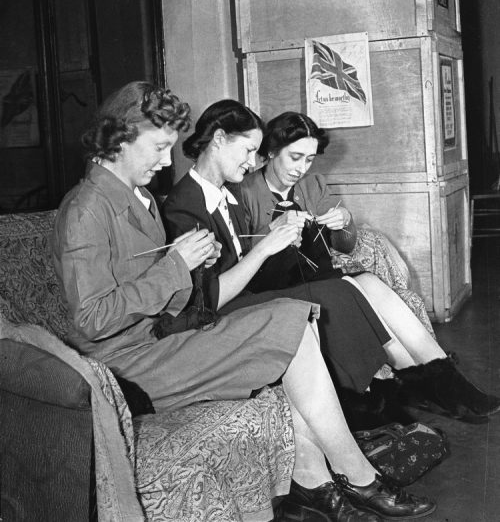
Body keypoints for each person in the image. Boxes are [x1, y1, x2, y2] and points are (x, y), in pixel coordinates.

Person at [53, 82, 434, 522]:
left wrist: (196, 266)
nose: (164, 163)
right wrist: (176, 267)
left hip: (162, 338)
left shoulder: (136, 197)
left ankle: (317, 483)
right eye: (159, 148)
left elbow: (162, 289)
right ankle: (358, 479)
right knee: (288, 324)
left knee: (292, 319)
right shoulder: (86, 209)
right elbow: (91, 318)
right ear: (119, 137)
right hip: (127, 366)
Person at [240, 110, 500, 424]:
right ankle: (441, 391)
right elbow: (243, 262)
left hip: (318, 277)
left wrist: (344, 222)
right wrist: (274, 232)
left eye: (309, 159)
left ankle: (447, 386)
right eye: (295, 157)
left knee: (371, 284)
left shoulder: (313, 186)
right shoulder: (245, 191)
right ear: (269, 152)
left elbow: (346, 245)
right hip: (275, 287)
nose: (301, 168)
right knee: (356, 287)